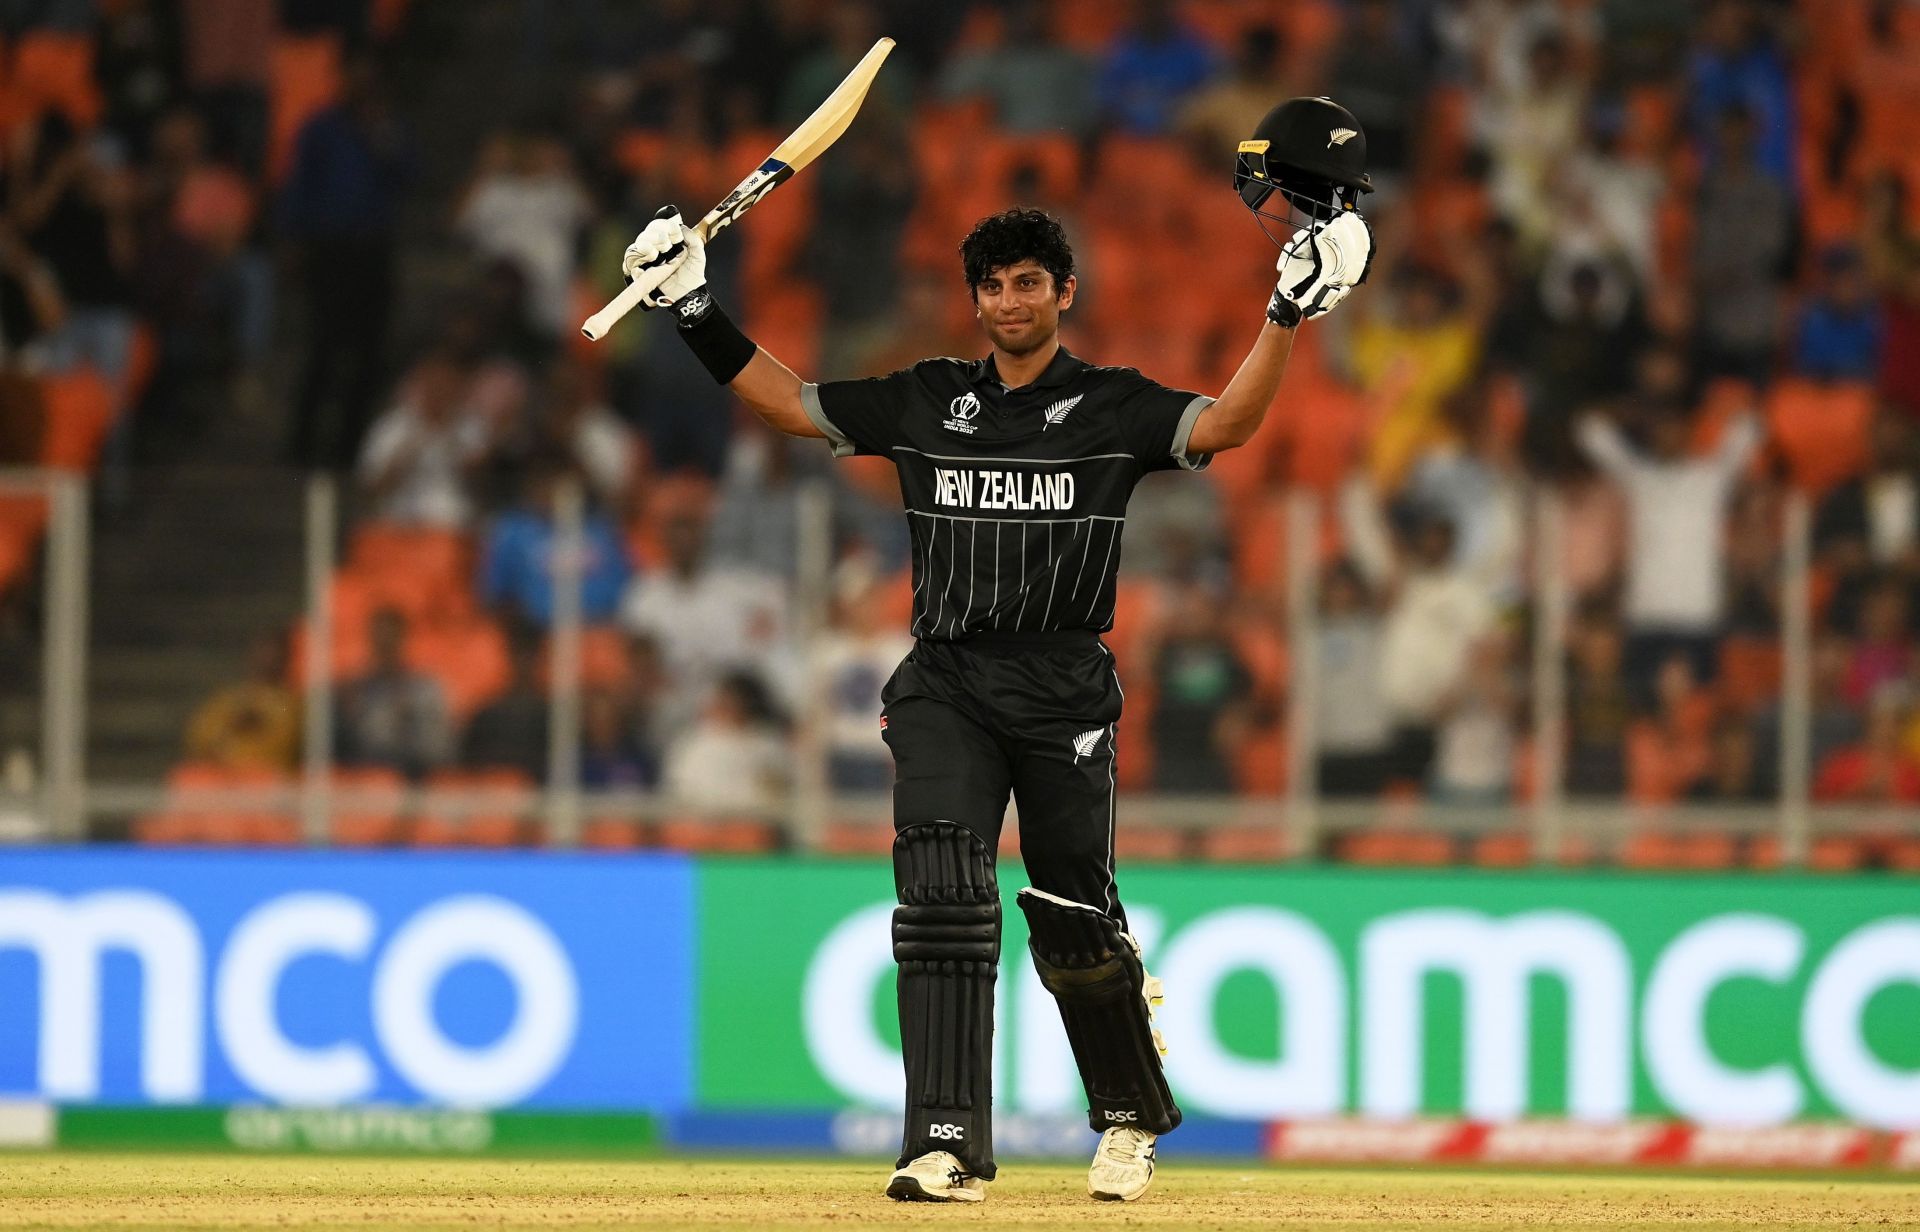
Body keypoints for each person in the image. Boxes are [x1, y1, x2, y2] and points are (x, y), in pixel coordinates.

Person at [614, 96, 1374, 1204]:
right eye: (993, 284)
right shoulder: (930, 399)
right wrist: (692, 307)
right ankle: (946, 1141)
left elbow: (1227, 427)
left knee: (1073, 916)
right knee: (939, 888)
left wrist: (1284, 317)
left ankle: (1124, 1116)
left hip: (1064, 687)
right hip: (949, 680)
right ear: (975, 300)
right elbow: (790, 403)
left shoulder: (1111, 407)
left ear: (1064, 294)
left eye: (1030, 282)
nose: (1010, 300)